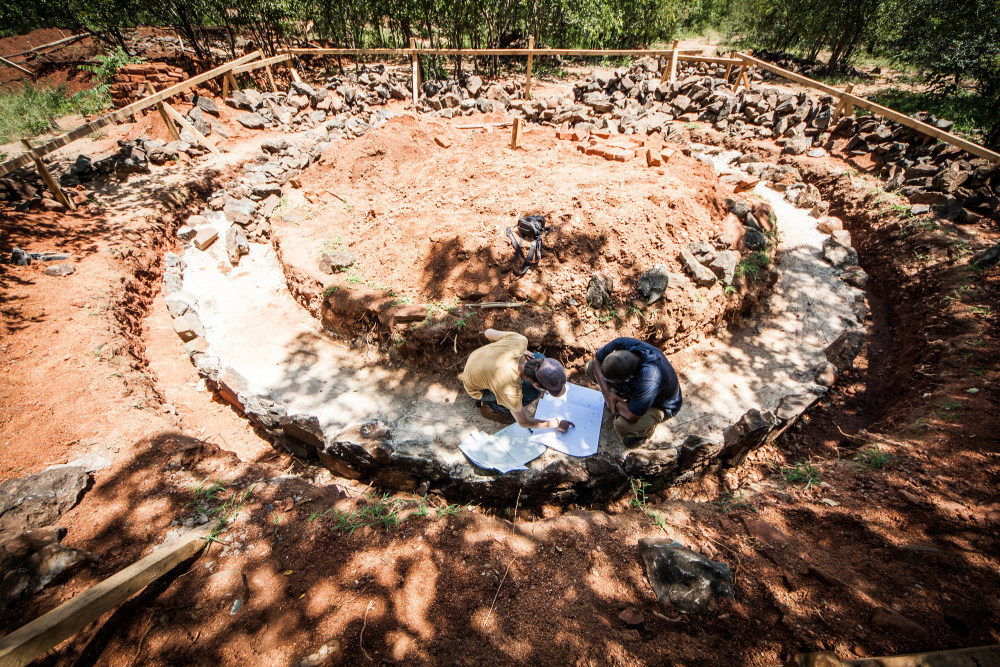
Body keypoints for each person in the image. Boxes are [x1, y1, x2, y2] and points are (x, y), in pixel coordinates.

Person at [463, 329, 574, 432]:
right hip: (476, 388)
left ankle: (491, 390)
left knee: (539, 356)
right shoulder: (509, 387)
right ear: (536, 383)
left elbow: (488, 332)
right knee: (531, 393)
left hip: (476, 360)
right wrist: (556, 423)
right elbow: (524, 422)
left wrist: (519, 351)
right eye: (545, 389)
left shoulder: (520, 341)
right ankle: (490, 408)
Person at [585, 337, 682, 446]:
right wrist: (606, 392)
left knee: (622, 426)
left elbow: (633, 416)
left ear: (629, 377)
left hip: (659, 404)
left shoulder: (649, 380)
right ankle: (625, 399)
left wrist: (616, 403)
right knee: (590, 367)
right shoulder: (622, 343)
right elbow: (596, 359)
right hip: (637, 388)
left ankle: (645, 431)